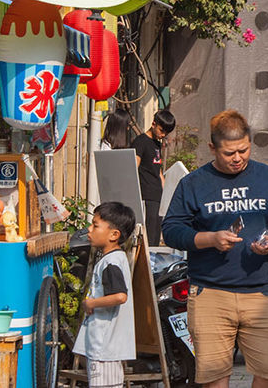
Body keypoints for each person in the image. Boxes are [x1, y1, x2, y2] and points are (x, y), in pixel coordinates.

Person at [162, 110, 268, 388]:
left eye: (244, 150)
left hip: (259, 293)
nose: (238, 158)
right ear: (212, 148)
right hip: (210, 293)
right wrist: (210, 238)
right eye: (229, 153)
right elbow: (172, 230)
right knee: (214, 378)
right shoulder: (194, 184)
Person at [73, 201, 137, 388]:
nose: (89, 230)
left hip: (104, 345)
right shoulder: (113, 259)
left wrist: (91, 303)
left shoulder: (112, 262)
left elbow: (119, 296)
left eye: (95, 225)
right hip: (106, 345)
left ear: (114, 235)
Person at [132, 109, 176, 245]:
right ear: (153, 124)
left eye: (166, 133)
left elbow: (158, 171)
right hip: (146, 195)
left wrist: (166, 193)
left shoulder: (157, 144)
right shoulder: (140, 142)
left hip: (157, 196)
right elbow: (134, 167)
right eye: (161, 130)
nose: (163, 135)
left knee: (156, 235)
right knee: (149, 237)